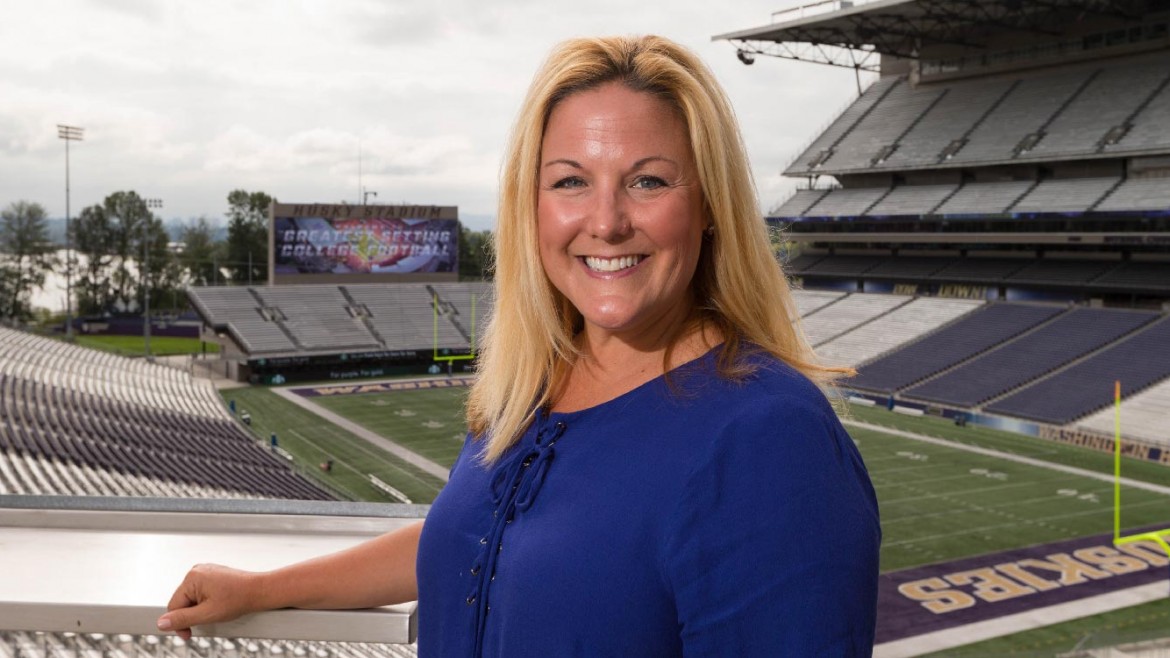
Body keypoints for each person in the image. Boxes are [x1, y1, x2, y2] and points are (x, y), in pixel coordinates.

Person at [157, 35, 880, 656]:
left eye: (648, 181)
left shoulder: (769, 437)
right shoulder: (536, 382)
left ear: (712, 206)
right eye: (570, 181)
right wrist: (262, 589)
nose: (606, 221)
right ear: (529, 207)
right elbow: (476, 542)